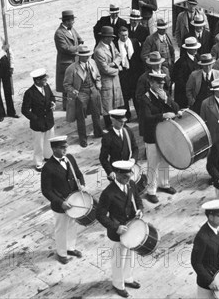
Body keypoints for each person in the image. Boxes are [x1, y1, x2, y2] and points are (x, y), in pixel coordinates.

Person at [96, 159, 144, 298]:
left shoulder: (131, 184)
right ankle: (118, 284)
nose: (127, 179)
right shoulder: (108, 193)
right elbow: (100, 214)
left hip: (132, 228)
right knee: (119, 259)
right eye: (124, 177)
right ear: (116, 174)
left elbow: (138, 199)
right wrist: (115, 227)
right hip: (118, 232)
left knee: (130, 256)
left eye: (129, 176)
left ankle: (128, 278)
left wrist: (140, 209)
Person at [40, 136, 86, 264]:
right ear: (54, 149)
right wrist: (61, 202)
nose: (65, 149)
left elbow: (78, 173)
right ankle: (61, 253)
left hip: (74, 201)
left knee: (72, 225)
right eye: (62, 148)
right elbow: (46, 190)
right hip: (61, 205)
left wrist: (82, 184)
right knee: (61, 229)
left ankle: (70, 248)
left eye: (66, 147)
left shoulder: (70, 159)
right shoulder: (48, 168)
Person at [139, 72, 180, 204]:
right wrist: (162, 116)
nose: (161, 86)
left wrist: (167, 100)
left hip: (165, 133)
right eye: (158, 83)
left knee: (165, 159)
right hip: (152, 135)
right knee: (153, 163)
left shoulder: (164, 95)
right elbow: (146, 118)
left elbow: (176, 108)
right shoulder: (145, 98)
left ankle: (164, 184)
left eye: (162, 83)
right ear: (151, 83)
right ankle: (151, 190)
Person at [191, 199, 219, 298]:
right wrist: (209, 281)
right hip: (207, 283)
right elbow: (196, 263)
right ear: (210, 217)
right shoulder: (202, 237)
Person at [63, 45, 103, 147]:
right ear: (79, 56)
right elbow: (66, 85)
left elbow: (98, 76)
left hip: (93, 90)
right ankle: (83, 138)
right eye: (85, 56)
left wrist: (98, 84)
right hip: (81, 93)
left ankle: (98, 132)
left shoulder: (92, 63)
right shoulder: (71, 68)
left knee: (96, 113)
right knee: (80, 117)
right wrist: (73, 91)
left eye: (88, 55)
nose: (87, 57)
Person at [21, 68, 56, 171]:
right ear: (37, 81)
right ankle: (38, 162)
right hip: (38, 123)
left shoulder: (46, 86)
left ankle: (49, 157)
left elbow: (52, 97)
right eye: (44, 79)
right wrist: (35, 118)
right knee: (39, 144)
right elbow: (25, 110)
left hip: (49, 120)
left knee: (49, 140)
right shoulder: (29, 93)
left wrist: (52, 103)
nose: (46, 81)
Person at [94, 26, 124, 130]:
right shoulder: (99, 51)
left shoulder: (110, 44)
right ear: (105, 37)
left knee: (116, 102)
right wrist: (118, 69)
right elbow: (105, 69)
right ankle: (108, 125)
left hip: (114, 80)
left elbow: (119, 55)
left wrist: (113, 63)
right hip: (106, 81)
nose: (112, 39)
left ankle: (115, 122)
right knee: (107, 104)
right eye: (111, 37)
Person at [134, 52, 171, 135]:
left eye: (159, 63)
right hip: (152, 114)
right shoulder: (144, 78)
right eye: (155, 64)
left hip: (164, 112)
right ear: (151, 65)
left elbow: (168, 89)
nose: (158, 66)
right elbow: (138, 97)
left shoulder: (165, 72)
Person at [54, 10, 84, 111]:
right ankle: (66, 107)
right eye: (72, 21)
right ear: (66, 21)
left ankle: (72, 105)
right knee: (66, 85)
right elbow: (65, 48)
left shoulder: (71, 29)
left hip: (73, 60)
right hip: (65, 62)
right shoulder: (59, 33)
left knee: (74, 83)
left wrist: (81, 42)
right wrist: (78, 48)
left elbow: (79, 38)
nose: (73, 22)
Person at [99, 109, 139, 180]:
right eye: (120, 121)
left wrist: (133, 159)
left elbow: (135, 148)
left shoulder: (128, 132)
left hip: (129, 170)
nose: (122, 123)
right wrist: (110, 172)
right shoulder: (108, 137)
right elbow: (103, 158)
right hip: (116, 172)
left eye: (123, 121)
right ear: (113, 120)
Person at [116, 25, 142, 121]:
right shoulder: (115, 44)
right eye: (122, 35)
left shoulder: (134, 42)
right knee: (125, 96)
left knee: (136, 95)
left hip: (134, 73)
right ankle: (127, 115)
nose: (124, 37)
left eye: (126, 35)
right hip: (124, 74)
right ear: (119, 35)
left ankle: (139, 115)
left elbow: (139, 57)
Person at [172, 37, 201, 108]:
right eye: (194, 48)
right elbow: (179, 82)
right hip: (185, 96)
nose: (196, 50)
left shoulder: (197, 57)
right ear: (188, 49)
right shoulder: (181, 63)